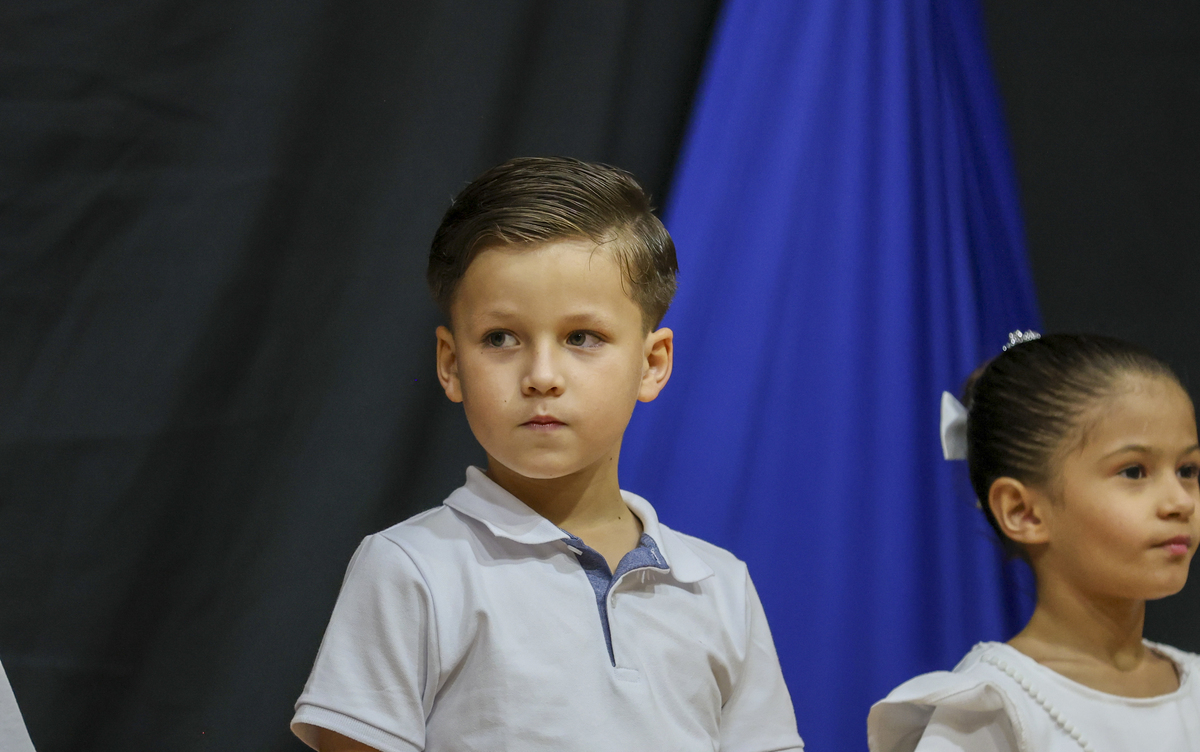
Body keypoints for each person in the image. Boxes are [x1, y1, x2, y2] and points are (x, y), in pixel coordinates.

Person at [291, 157, 804, 752]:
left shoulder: (719, 586)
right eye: (500, 338)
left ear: (652, 362)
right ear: (451, 364)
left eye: (582, 338)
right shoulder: (410, 569)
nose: (541, 375)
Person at [868, 332, 1200, 752]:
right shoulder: (989, 712)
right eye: (1133, 471)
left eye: (1188, 470)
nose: (1180, 502)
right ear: (1023, 512)